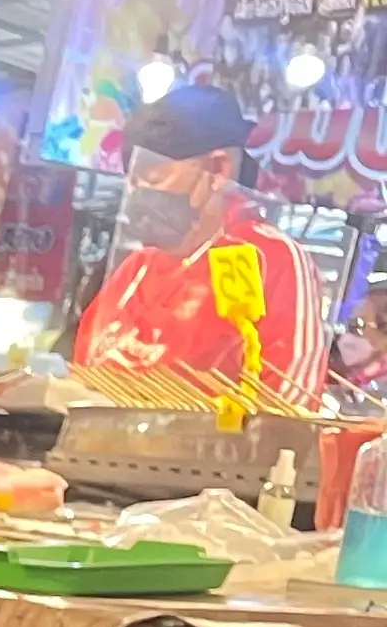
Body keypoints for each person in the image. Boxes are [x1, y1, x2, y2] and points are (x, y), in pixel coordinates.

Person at [74, 80, 325, 405]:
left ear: (218, 169)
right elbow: (80, 377)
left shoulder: (265, 258)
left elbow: (290, 403)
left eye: (151, 175)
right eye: (130, 177)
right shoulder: (135, 269)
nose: (135, 191)